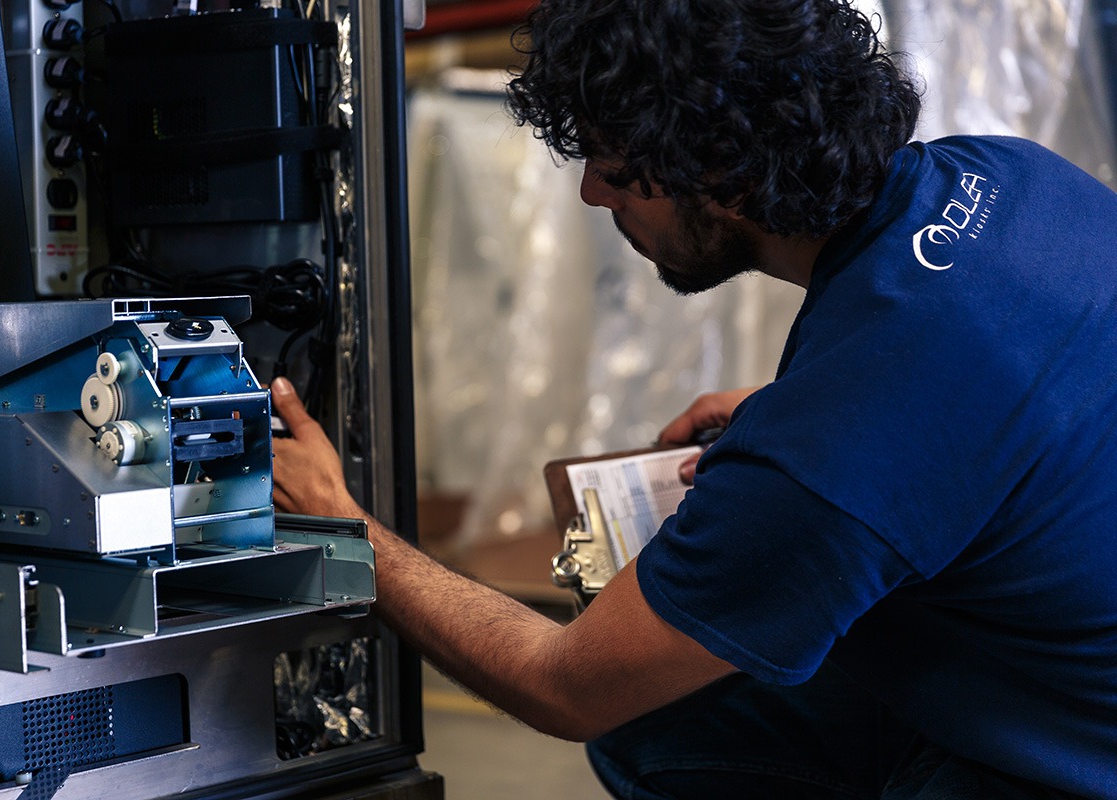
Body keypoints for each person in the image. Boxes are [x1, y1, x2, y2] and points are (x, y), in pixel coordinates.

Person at [272, 0, 1117, 797]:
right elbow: (1026, 385)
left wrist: (348, 535)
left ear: (715, 173)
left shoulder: (830, 450)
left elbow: (564, 685)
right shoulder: (1011, 175)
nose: (592, 195)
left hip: (1077, 756)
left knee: (643, 714)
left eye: (611, 169)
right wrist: (785, 417)